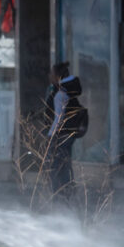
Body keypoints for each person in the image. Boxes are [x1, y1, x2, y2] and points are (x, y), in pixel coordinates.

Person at [47, 61, 82, 198]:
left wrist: (51, 135)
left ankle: (60, 196)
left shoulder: (60, 94)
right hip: (69, 134)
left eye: (52, 73)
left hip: (61, 135)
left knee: (56, 167)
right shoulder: (67, 92)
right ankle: (67, 193)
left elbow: (58, 118)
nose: (49, 76)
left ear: (57, 76)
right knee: (64, 166)